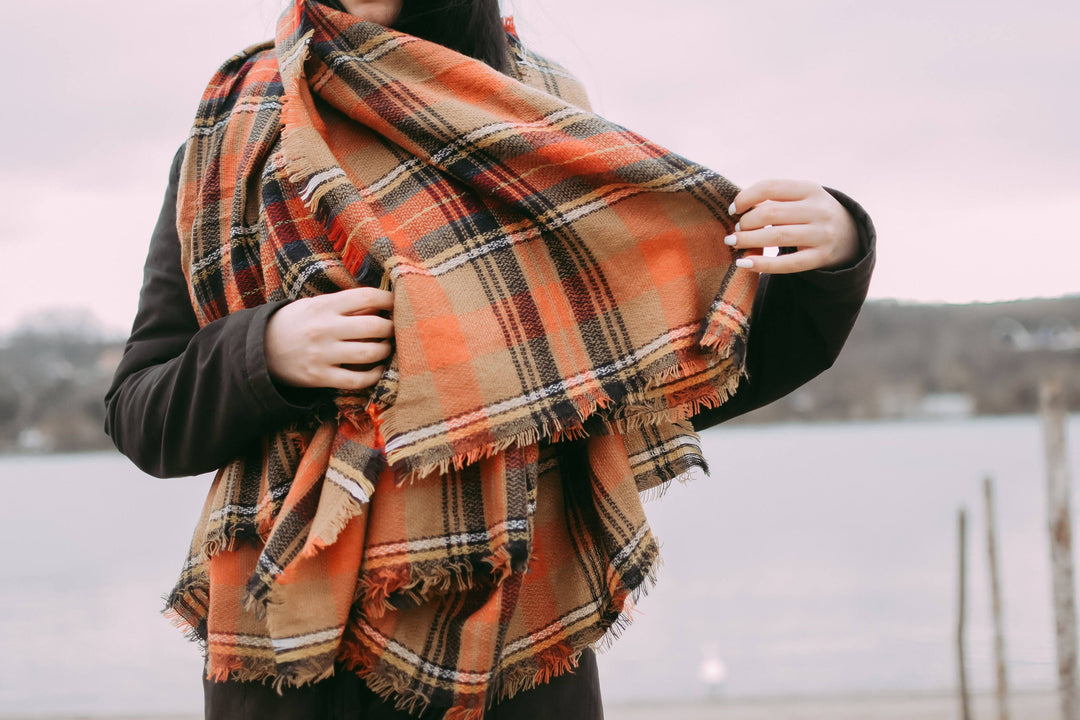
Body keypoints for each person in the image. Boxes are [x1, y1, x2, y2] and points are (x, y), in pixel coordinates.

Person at [105, 0, 875, 718]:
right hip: (290, 672)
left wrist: (834, 251)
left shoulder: (547, 128)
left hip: (518, 653)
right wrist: (265, 352)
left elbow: (676, 377)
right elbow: (143, 412)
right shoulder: (231, 144)